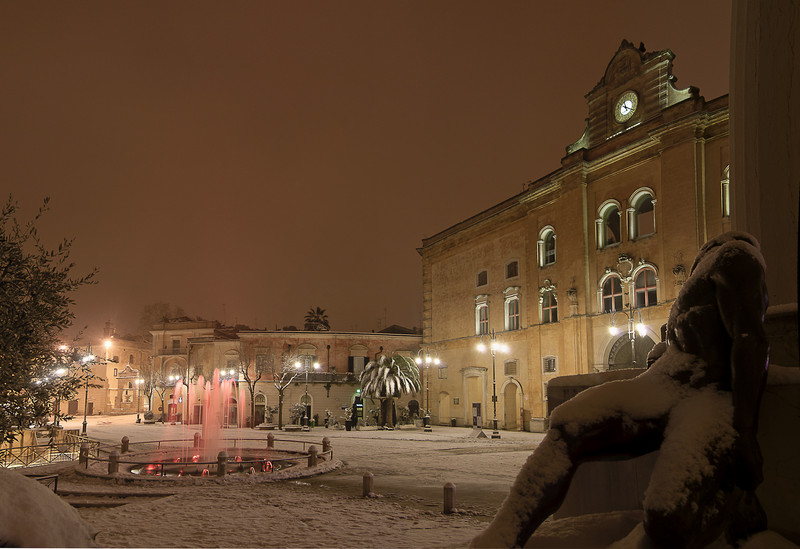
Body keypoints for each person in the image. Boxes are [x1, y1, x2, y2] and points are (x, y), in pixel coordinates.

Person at [471, 232, 769, 548]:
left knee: (667, 517)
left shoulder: (736, 256)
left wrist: (746, 430)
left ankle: (734, 503)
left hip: (704, 396)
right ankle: (500, 539)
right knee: (567, 426)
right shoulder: (707, 268)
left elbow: (751, 340)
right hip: (662, 386)